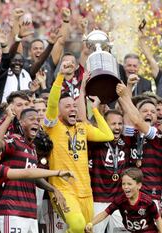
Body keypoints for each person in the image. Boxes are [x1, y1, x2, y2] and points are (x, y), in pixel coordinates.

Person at [43, 61, 114, 233]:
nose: (72, 109)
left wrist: (95, 110)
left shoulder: (82, 128)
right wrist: (60, 75)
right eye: (67, 106)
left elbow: (108, 135)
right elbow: (52, 103)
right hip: (63, 190)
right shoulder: (52, 127)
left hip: (85, 191)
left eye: (74, 106)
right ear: (59, 111)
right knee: (76, 226)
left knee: (87, 230)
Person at [84, 168, 162, 233]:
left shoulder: (147, 201)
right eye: (123, 184)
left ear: (139, 186)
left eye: (129, 184)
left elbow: (158, 218)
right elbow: (105, 213)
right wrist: (91, 223)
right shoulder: (120, 200)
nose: (125, 187)